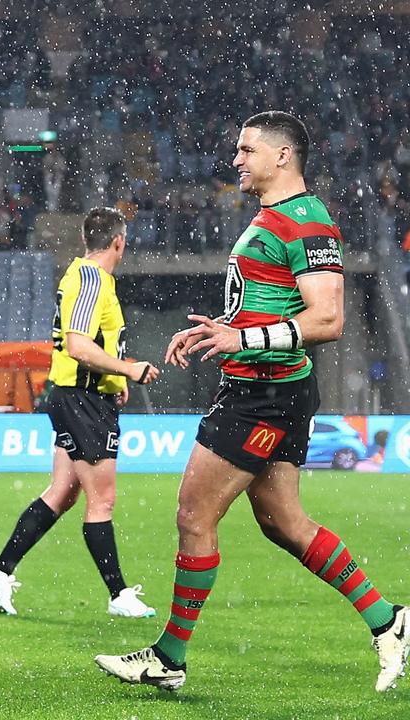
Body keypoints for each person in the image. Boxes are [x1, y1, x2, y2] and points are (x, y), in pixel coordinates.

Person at [94, 111, 409, 692]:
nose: (236, 159)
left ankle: (169, 657)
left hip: (262, 397)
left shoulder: (308, 222)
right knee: (283, 522)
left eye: (246, 149)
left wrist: (243, 340)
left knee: (194, 515)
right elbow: (270, 307)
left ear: (283, 156)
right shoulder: (272, 220)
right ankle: (390, 622)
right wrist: (222, 328)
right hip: (264, 387)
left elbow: (328, 318)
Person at [0, 207, 161, 619]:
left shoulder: (84, 275)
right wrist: (129, 368)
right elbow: (77, 344)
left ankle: (0, 569)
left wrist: (117, 379)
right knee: (103, 500)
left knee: (63, 492)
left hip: (78, 394)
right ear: (119, 242)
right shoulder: (94, 278)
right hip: (83, 400)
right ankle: (119, 594)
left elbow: (90, 342)